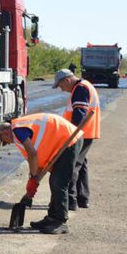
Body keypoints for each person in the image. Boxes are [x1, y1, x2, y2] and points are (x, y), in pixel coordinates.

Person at [0, 113, 83, 234]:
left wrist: (32, 178)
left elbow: (32, 154)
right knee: (54, 181)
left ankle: (61, 222)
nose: (9, 143)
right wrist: (33, 183)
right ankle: (52, 218)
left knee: (58, 182)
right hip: (62, 142)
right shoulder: (20, 131)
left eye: (5, 141)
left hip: (69, 140)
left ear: (4, 132)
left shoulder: (17, 129)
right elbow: (38, 161)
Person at [53, 68, 101, 210]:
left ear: (67, 80)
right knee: (81, 163)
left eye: (60, 85)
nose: (61, 89)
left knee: (72, 165)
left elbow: (79, 114)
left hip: (80, 134)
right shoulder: (83, 86)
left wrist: (72, 135)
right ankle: (82, 198)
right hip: (86, 132)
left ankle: (70, 201)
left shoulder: (80, 89)